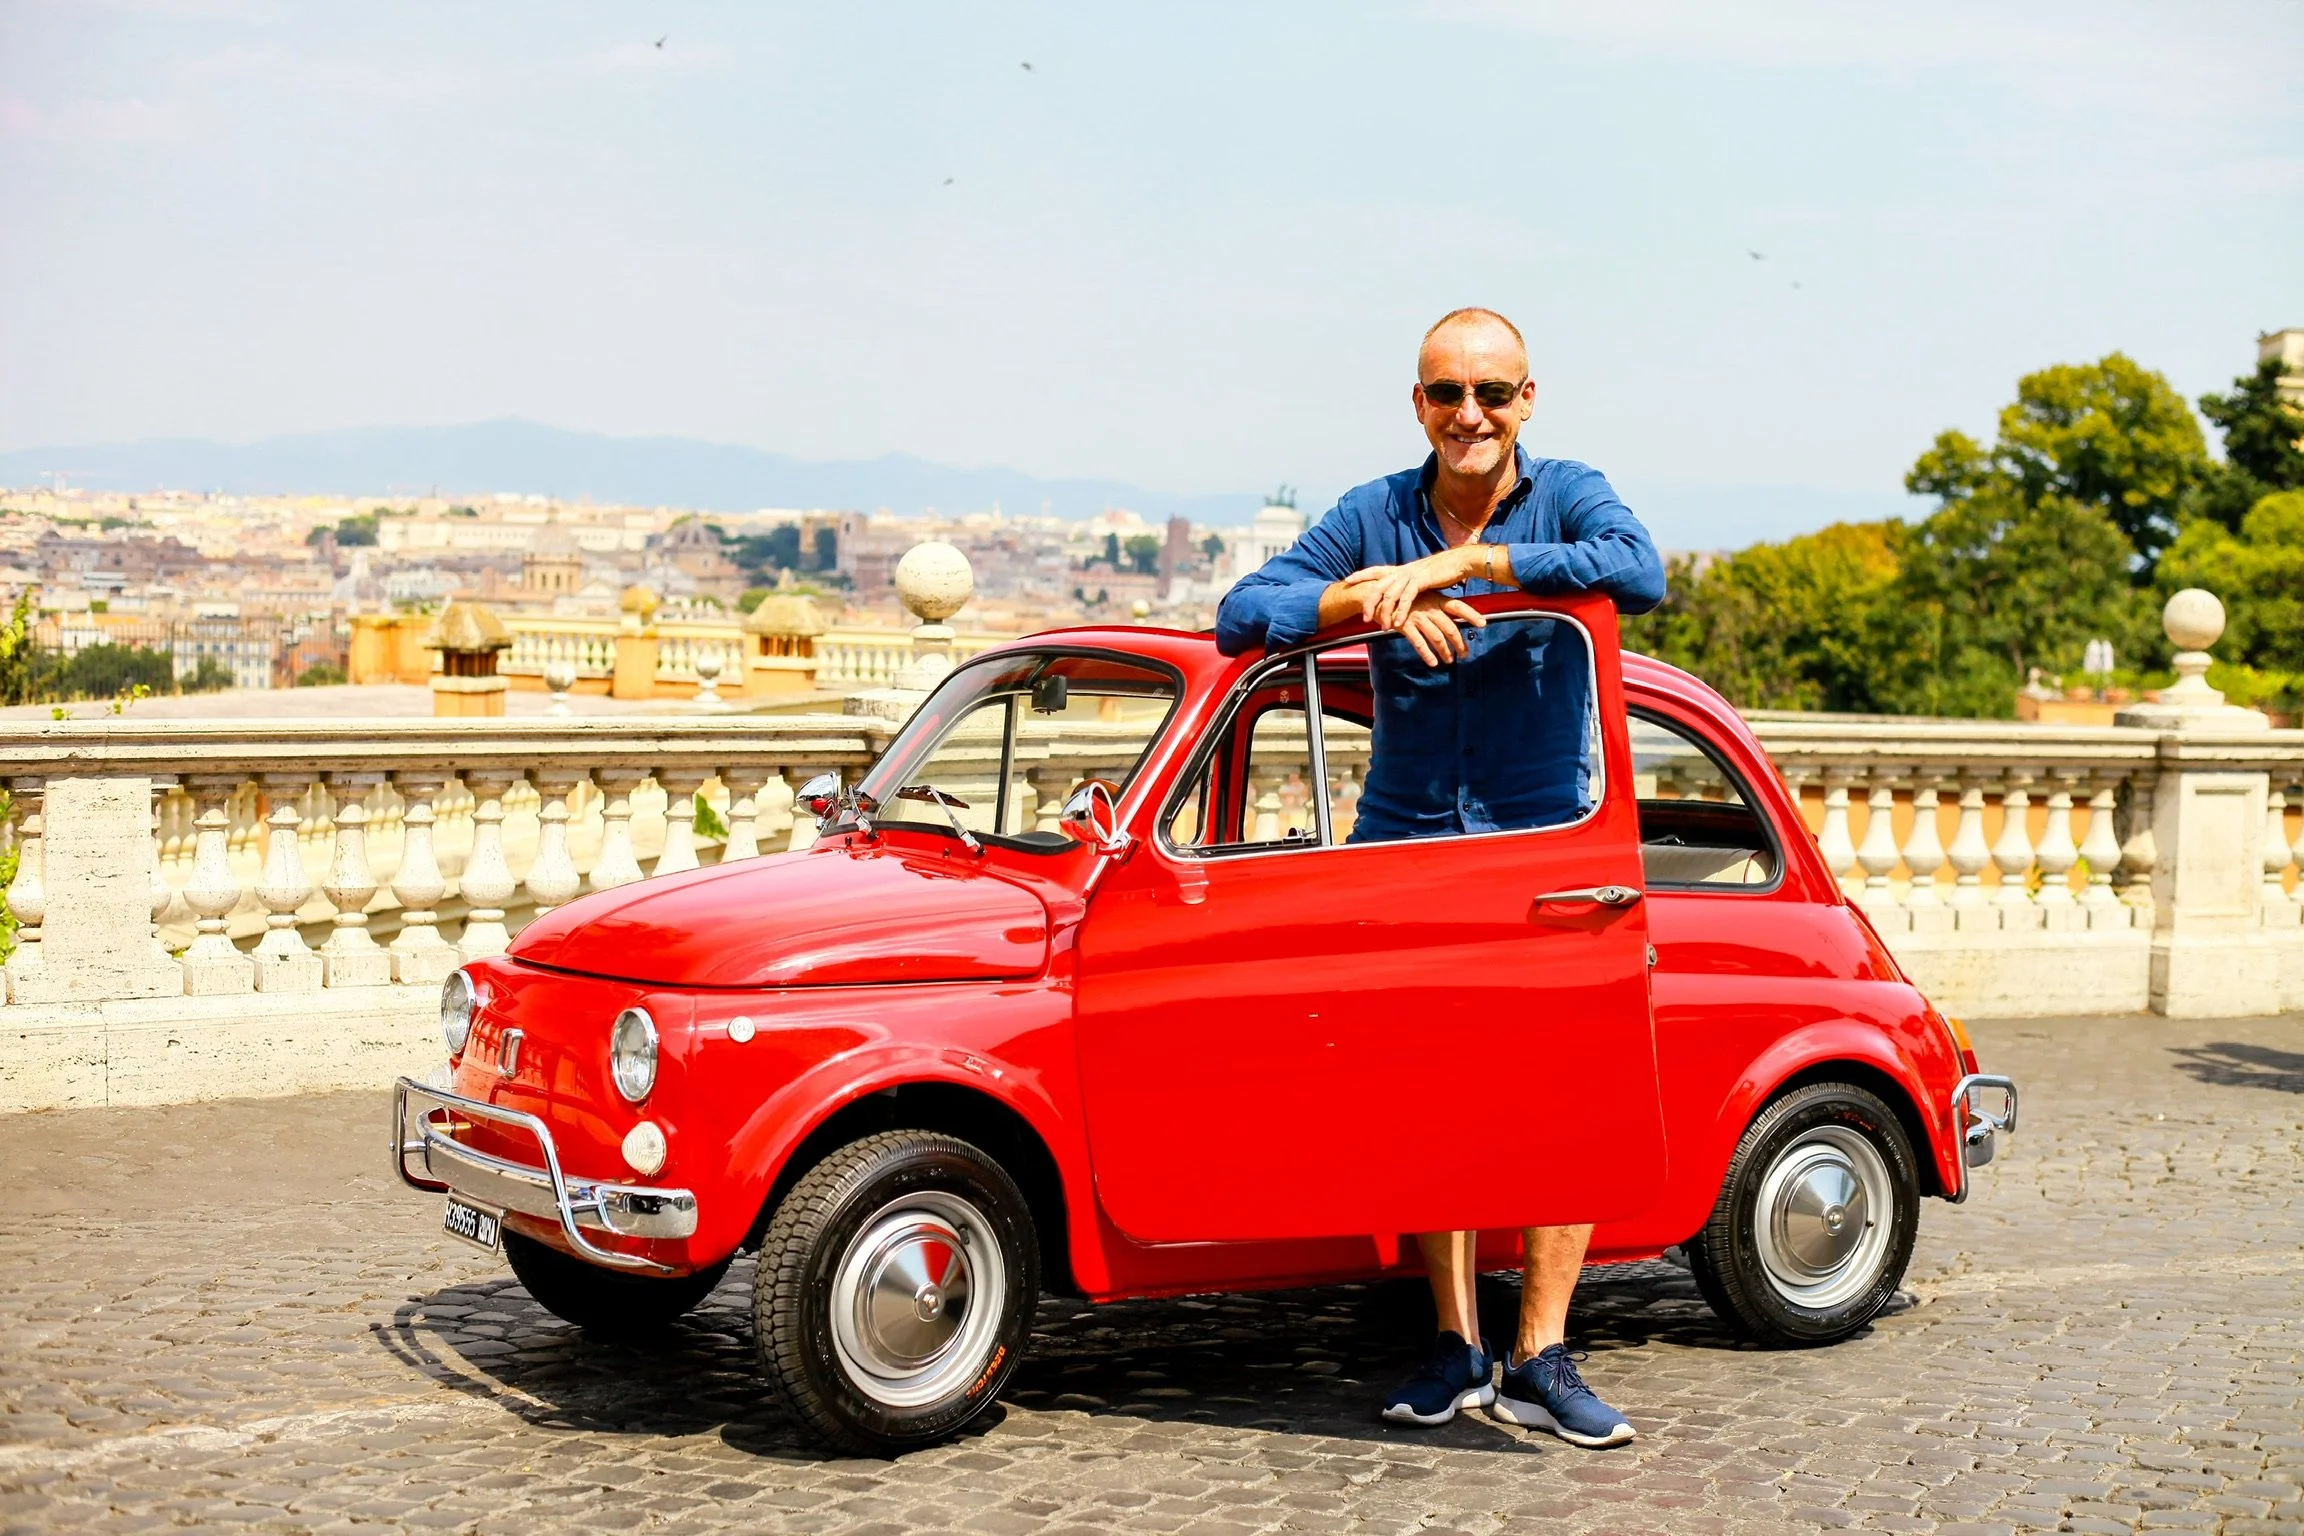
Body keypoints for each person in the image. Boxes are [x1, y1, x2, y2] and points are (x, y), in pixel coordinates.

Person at [1213, 307, 1663, 1448]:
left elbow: (1637, 568)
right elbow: (1240, 613)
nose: (1470, 414)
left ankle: (1542, 1352)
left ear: (1528, 400)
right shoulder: (1373, 513)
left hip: (1538, 848)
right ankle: (1456, 1342)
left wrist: (1475, 563)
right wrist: (1368, 596)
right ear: (1417, 403)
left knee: (1559, 1105)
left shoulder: (1568, 493)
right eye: (1446, 394)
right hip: (1407, 843)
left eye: (1493, 394)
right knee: (1429, 1097)